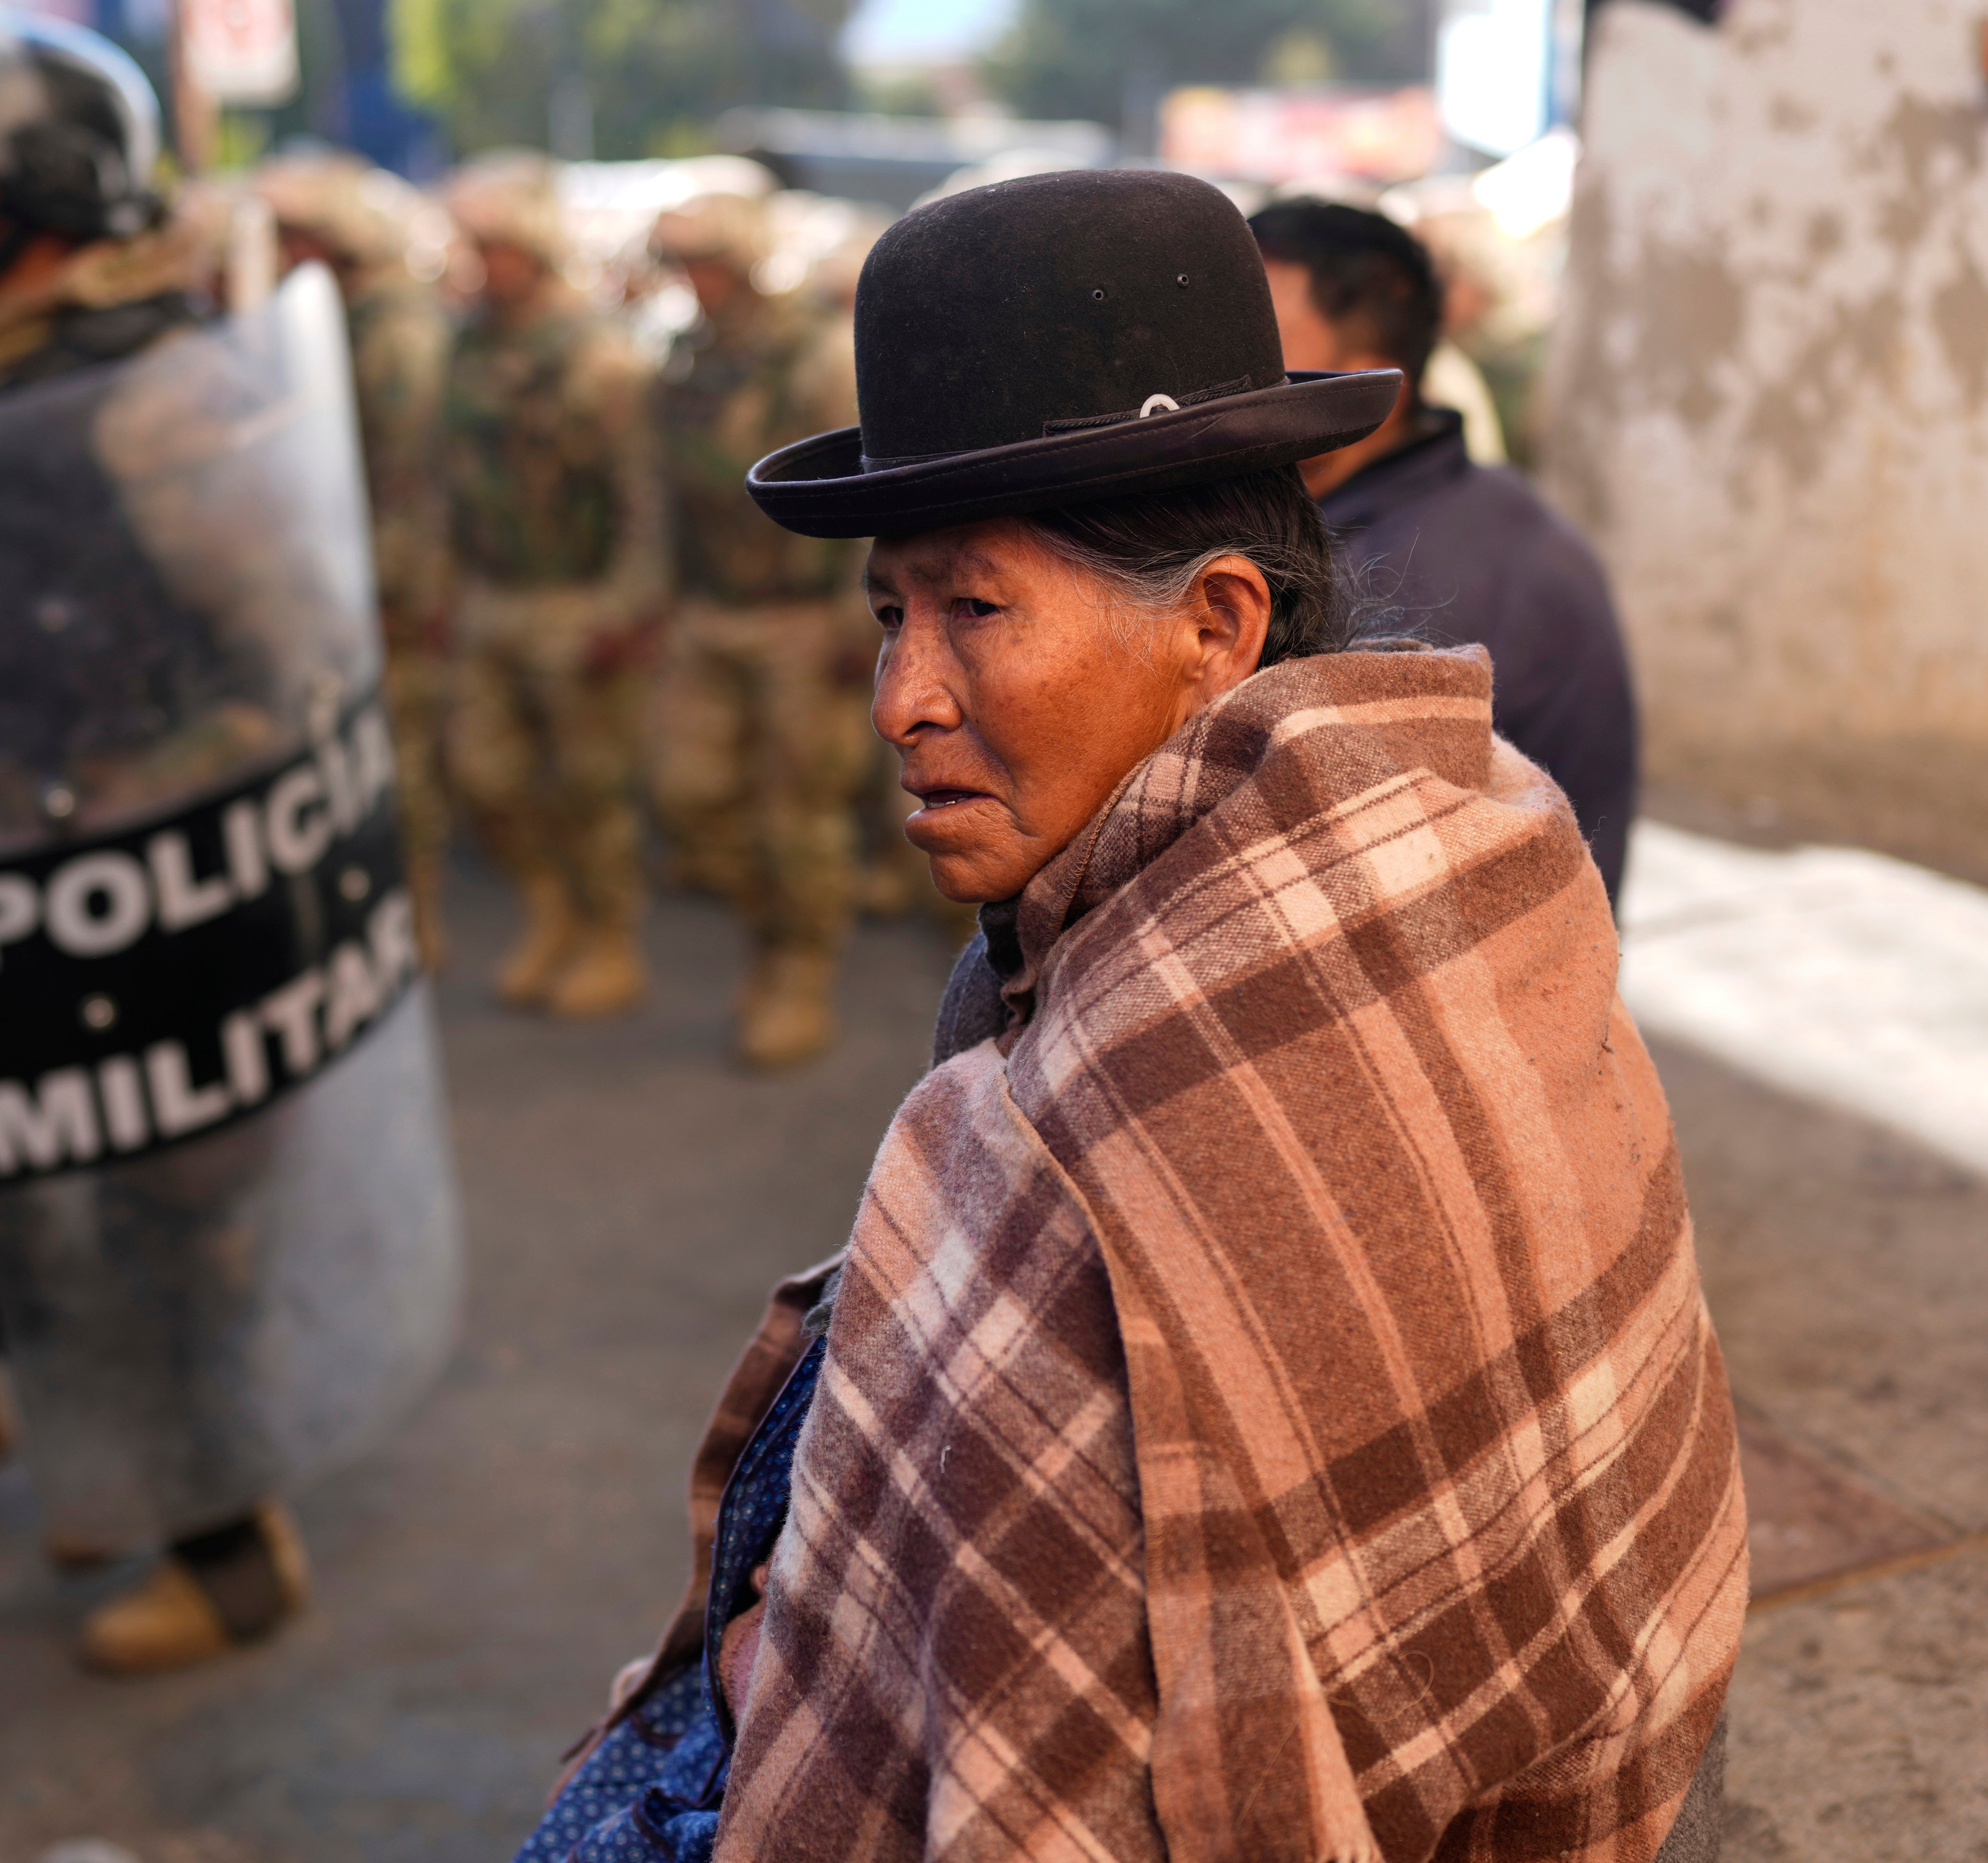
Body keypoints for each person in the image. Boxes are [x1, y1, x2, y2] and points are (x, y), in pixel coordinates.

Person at [519, 170, 1742, 1863]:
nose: (901, 699)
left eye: (973, 609)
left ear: (1216, 624)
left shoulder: (1067, 1141)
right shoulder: (1470, 823)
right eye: (888, 615)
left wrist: (777, 1672)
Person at [0, 2, 314, 1671]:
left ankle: (229, 1552)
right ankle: (17, 1425)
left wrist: (137, 806)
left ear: (45, 189)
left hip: (126, 867)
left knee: (158, 1218)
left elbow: (290, 667)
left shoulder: (153, 390)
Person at [1252, 198, 1639, 896]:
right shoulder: (1474, 508)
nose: (1213, 379)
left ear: (1367, 390)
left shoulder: (1394, 591)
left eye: (1258, 351)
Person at [642, 188, 871, 1071]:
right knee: (688, 793)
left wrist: (861, 616)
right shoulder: (688, 360)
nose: (694, 281)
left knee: (800, 816)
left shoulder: (814, 356)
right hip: (709, 610)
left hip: (798, 616)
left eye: (708, 263)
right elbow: (659, 487)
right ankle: (765, 935)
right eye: (683, 265)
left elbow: (864, 487)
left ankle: (796, 972)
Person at [440, 152, 668, 1020]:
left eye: (494, 247)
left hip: (577, 600)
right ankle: (550, 911)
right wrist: (440, 588)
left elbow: (643, 498)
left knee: (590, 790)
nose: (480, 265)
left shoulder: (596, 356)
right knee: (484, 778)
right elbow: (443, 481)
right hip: (491, 596)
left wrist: (628, 606)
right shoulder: (466, 346)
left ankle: (610, 939)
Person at [253, 150, 455, 971]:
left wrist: (392, 586)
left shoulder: (392, 332)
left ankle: (414, 919)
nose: (281, 252)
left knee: (399, 760)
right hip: (336, 574)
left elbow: (409, 479)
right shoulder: (326, 318)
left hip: (384, 583)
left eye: (296, 235)